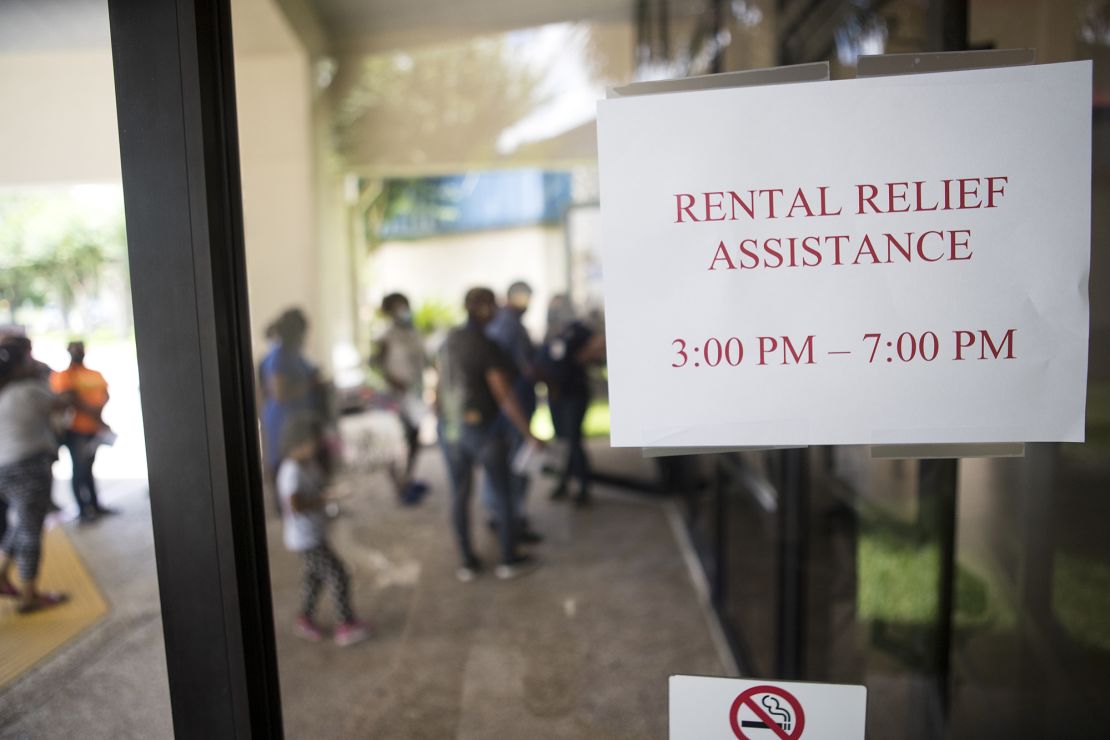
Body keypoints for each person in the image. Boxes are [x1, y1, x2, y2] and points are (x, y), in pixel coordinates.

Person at [437, 287, 544, 582]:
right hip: (482, 429)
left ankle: (467, 562)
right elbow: (504, 395)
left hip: (451, 428)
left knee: (459, 495)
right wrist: (528, 432)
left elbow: (438, 392)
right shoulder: (486, 345)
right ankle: (509, 557)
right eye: (492, 305)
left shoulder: (449, 341)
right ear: (483, 308)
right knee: (503, 491)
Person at [278, 414, 370, 647]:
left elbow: (320, 486)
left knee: (314, 578)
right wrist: (323, 500)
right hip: (305, 539)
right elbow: (296, 506)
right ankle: (345, 625)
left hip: (315, 533)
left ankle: (305, 618)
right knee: (338, 574)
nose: (315, 446)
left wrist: (329, 493)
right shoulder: (290, 471)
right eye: (312, 442)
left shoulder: (308, 464)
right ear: (298, 442)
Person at [0, 340, 69, 613]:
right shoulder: (30, 390)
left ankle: (2, 572)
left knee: (21, 523)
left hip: (4, 467)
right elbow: (61, 405)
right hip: (30, 465)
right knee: (31, 530)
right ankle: (29, 595)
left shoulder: (3, 392)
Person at [482, 281, 541, 543]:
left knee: (500, 465)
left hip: (504, 404)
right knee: (516, 465)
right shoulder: (510, 325)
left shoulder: (497, 325)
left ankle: (501, 516)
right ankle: (512, 521)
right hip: (513, 401)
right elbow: (523, 368)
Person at [540, 296, 605, 507]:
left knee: (573, 440)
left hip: (574, 394)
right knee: (561, 440)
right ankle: (563, 482)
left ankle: (583, 487)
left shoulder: (577, 329)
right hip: (556, 394)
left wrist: (581, 358)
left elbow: (599, 343)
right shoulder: (552, 332)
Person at [370, 292, 429, 505]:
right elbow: (374, 364)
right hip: (394, 396)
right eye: (398, 307)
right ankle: (399, 486)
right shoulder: (385, 335)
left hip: (414, 394)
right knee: (396, 441)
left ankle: (408, 478)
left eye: (404, 305)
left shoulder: (413, 332)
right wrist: (391, 380)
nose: (403, 310)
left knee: (414, 437)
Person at [259, 308, 321, 495]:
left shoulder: (294, 352)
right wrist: (310, 386)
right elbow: (280, 393)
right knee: (286, 469)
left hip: (298, 416)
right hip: (284, 420)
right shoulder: (278, 356)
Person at [50, 341, 113, 522]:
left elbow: (105, 395)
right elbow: (68, 397)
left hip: (93, 427)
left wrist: (97, 416)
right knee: (79, 468)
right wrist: (94, 414)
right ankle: (83, 509)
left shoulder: (93, 374)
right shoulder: (64, 375)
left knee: (88, 468)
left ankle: (94, 504)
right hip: (75, 430)